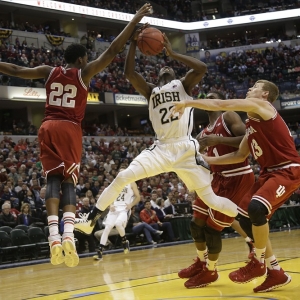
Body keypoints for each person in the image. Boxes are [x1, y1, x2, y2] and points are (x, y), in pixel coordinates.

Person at [0, 3, 152, 268]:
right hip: (70, 129)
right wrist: (134, 19)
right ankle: (69, 234)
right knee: (69, 183)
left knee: (52, 180)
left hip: (48, 126)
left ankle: (54, 237)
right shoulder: (84, 72)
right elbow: (113, 49)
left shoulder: (49, 72)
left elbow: (14, 70)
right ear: (81, 59)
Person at [88, 26, 239, 227]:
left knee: (210, 200)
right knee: (124, 176)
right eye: (162, 68)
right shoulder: (151, 91)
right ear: (157, 75)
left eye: (169, 67)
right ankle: (93, 216)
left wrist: (174, 54)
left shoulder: (183, 85)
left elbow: (201, 68)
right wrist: (133, 43)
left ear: (174, 73)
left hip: (185, 148)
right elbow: (129, 73)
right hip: (161, 148)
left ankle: (246, 215)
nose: (165, 68)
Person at [171, 80, 300, 292]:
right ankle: (275, 271)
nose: (250, 88)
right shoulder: (251, 122)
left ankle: (258, 262)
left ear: (265, 94)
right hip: (268, 173)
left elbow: (223, 104)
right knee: (244, 216)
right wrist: (207, 159)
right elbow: (240, 154)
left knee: (256, 209)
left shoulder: (263, 107)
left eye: (255, 86)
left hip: (287, 169)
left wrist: (187, 102)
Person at [177, 92, 255, 288]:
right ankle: (201, 262)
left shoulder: (228, 116)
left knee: (212, 230)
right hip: (215, 179)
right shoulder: (203, 133)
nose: (207, 98)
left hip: (236, 176)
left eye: (212, 96)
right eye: (206, 97)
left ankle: (211, 271)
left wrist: (218, 140)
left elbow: (247, 138)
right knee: (196, 223)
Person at [93, 177, 141, 261]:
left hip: (124, 208)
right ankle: (100, 251)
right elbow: (108, 197)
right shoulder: (115, 183)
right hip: (114, 209)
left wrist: (131, 204)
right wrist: (110, 205)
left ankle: (124, 241)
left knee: (118, 224)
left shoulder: (132, 182)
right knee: (107, 228)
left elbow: (138, 197)